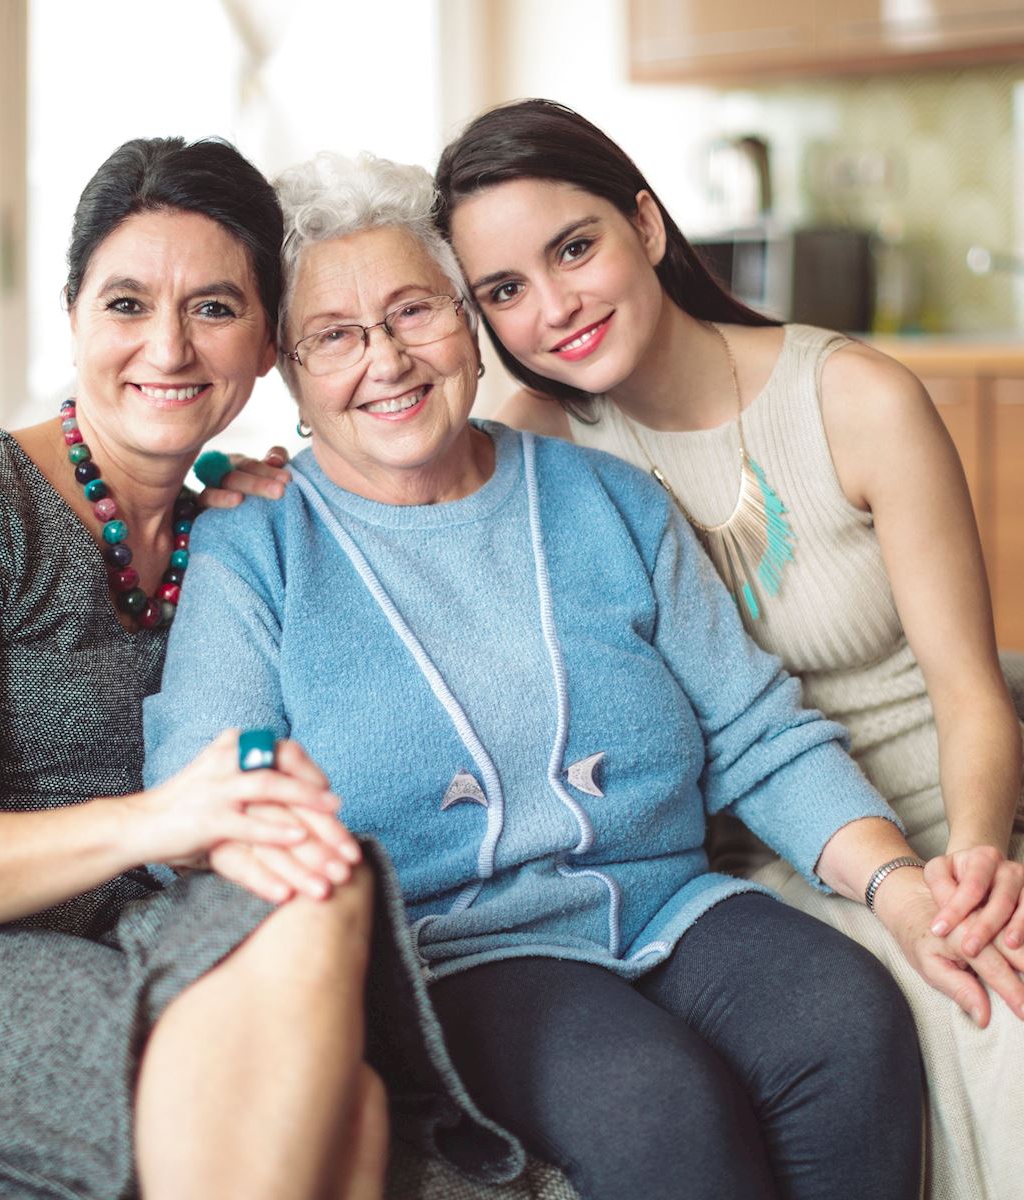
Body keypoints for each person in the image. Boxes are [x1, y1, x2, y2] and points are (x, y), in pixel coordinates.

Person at [142, 150, 952, 1200]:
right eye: (333, 336)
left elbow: (756, 732)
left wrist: (897, 888)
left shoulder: (606, 498)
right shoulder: (255, 545)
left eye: (412, 312)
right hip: (453, 955)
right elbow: (203, 797)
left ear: (467, 325)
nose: (383, 360)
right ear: (291, 377)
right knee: (657, 1103)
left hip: (670, 902)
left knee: (846, 1014)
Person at [0, 136, 496, 1200]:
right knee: (345, 1116)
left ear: (268, 342)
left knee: (322, 882)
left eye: (215, 308)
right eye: (128, 304)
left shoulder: (225, 529)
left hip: (125, 925)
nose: (169, 349)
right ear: (75, 316)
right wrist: (161, 820)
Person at [433, 97, 1024, 1198]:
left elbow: (973, 696)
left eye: (574, 248)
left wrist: (972, 870)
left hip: (929, 841)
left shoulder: (853, 399)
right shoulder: (538, 444)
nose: (554, 308)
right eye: (503, 291)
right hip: (723, 883)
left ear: (646, 228)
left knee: (993, 1017)